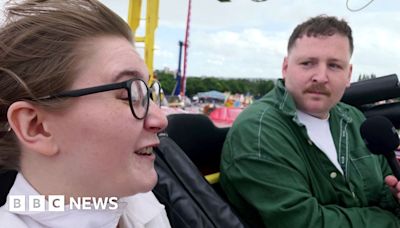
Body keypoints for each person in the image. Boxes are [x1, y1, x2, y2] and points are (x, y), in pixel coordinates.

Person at [0, 0, 171, 227]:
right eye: (128, 94)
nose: (160, 119)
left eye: (148, 94)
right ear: (37, 127)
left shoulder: (137, 201)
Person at [220, 15, 400, 227]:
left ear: (349, 74)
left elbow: (384, 189)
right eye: (307, 63)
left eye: (334, 66)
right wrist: (391, 221)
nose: (321, 76)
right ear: (286, 67)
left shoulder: (354, 119)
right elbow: (304, 222)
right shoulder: (258, 131)